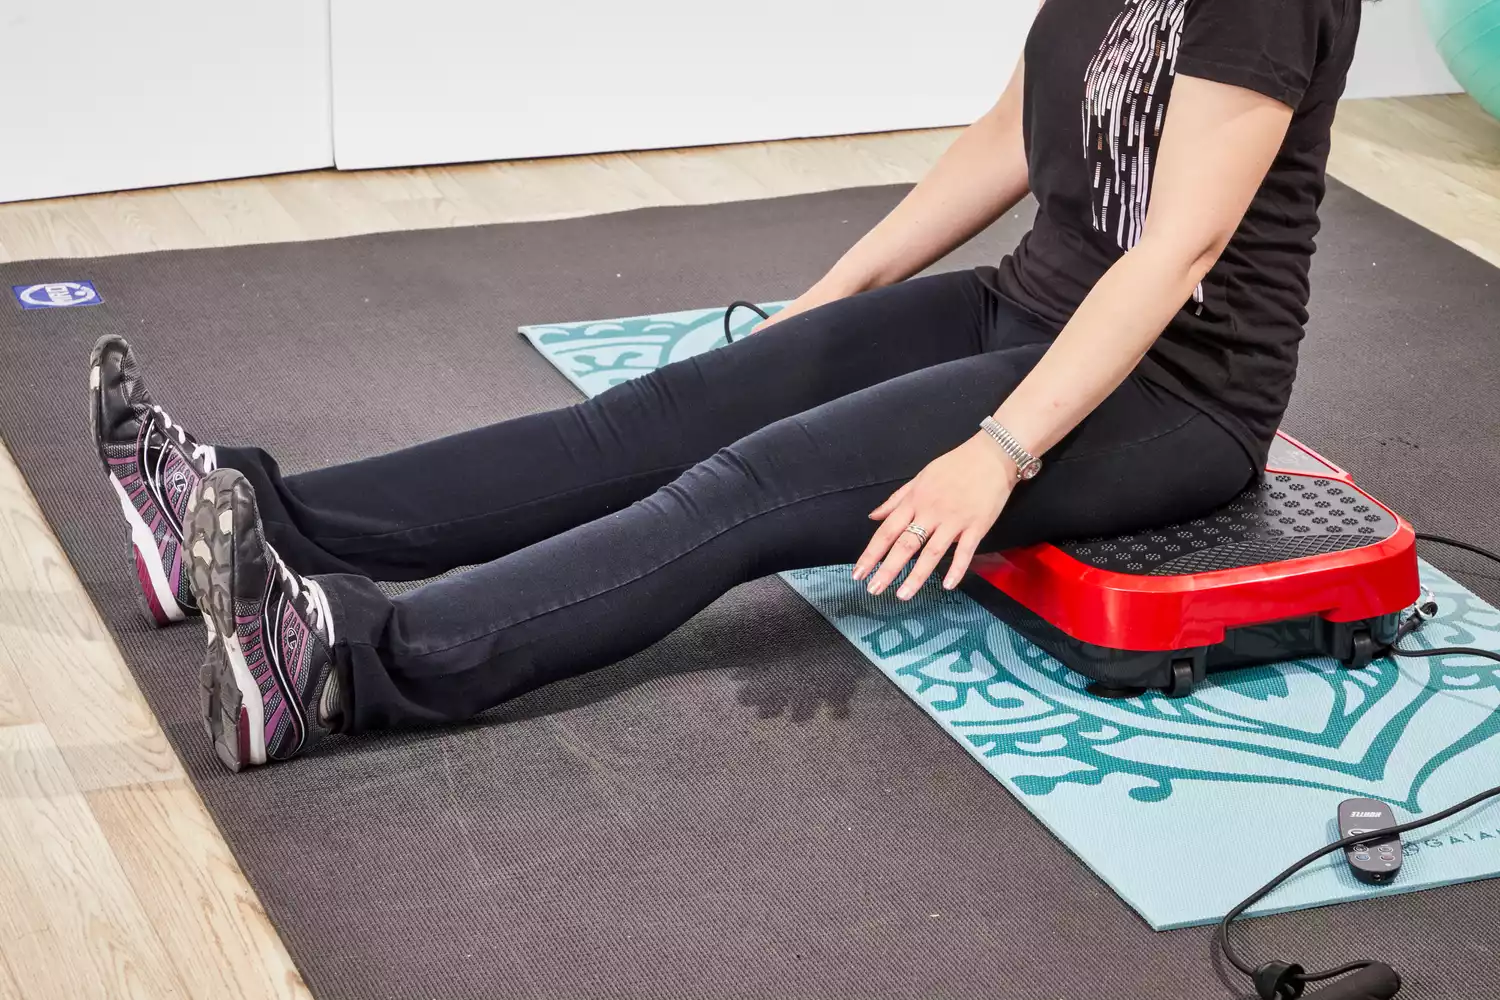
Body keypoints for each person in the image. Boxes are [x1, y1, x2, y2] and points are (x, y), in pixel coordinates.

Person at [89, 0, 1363, 771]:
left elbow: (1179, 249)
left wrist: (1002, 448)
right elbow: (1007, 134)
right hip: (1026, 304)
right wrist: (832, 300)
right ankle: (258, 517)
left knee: (748, 490)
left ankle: (340, 665)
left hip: (1174, 388)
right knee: (668, 411)